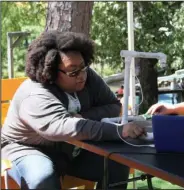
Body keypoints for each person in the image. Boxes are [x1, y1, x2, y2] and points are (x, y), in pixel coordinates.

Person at [1, 31, 146, 189]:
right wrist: (120, 131)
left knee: (117, 163)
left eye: (83, 66)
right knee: (43, 178)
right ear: (51, 72)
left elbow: (113, 105)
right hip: (27, 148)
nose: (82, 75)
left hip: (70, 149)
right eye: (73, 71)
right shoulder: (35, 94)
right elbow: (66, 127)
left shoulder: (87, 76)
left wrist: (83, 116)